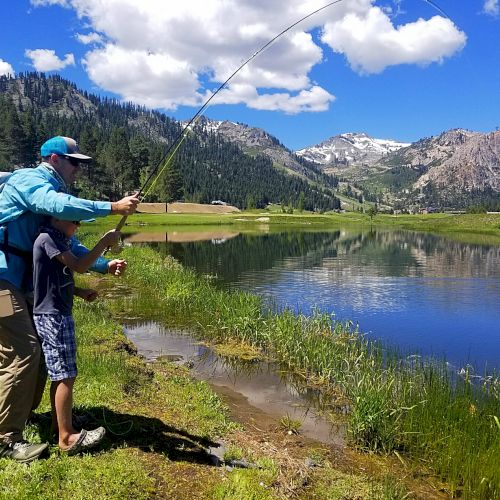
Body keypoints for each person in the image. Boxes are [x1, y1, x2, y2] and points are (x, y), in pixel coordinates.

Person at [0, 136, 139, 462]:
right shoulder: (31, 182)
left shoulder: (50, 194)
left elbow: (67, 245)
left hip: (19, 284)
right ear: (53, 158)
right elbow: (57, 208)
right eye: (74, 161)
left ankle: (23, 417)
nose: (79, 168)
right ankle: (6, 439)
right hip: (1, 283)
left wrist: (105, 265)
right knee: (23, 352)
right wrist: (112, 207)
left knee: (36, 357)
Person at [33, 218, 120, 454]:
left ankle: (59, 424)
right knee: (65, 375)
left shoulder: (57, 238)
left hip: (57, 313)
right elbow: (79, 266)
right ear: (57, 218)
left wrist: (79, 292)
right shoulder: (48, 239)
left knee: (62, 373)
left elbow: (53, 280)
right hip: (54, 316)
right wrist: (103, 242)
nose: (78, 226)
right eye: (75, 220)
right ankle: (67, 437)